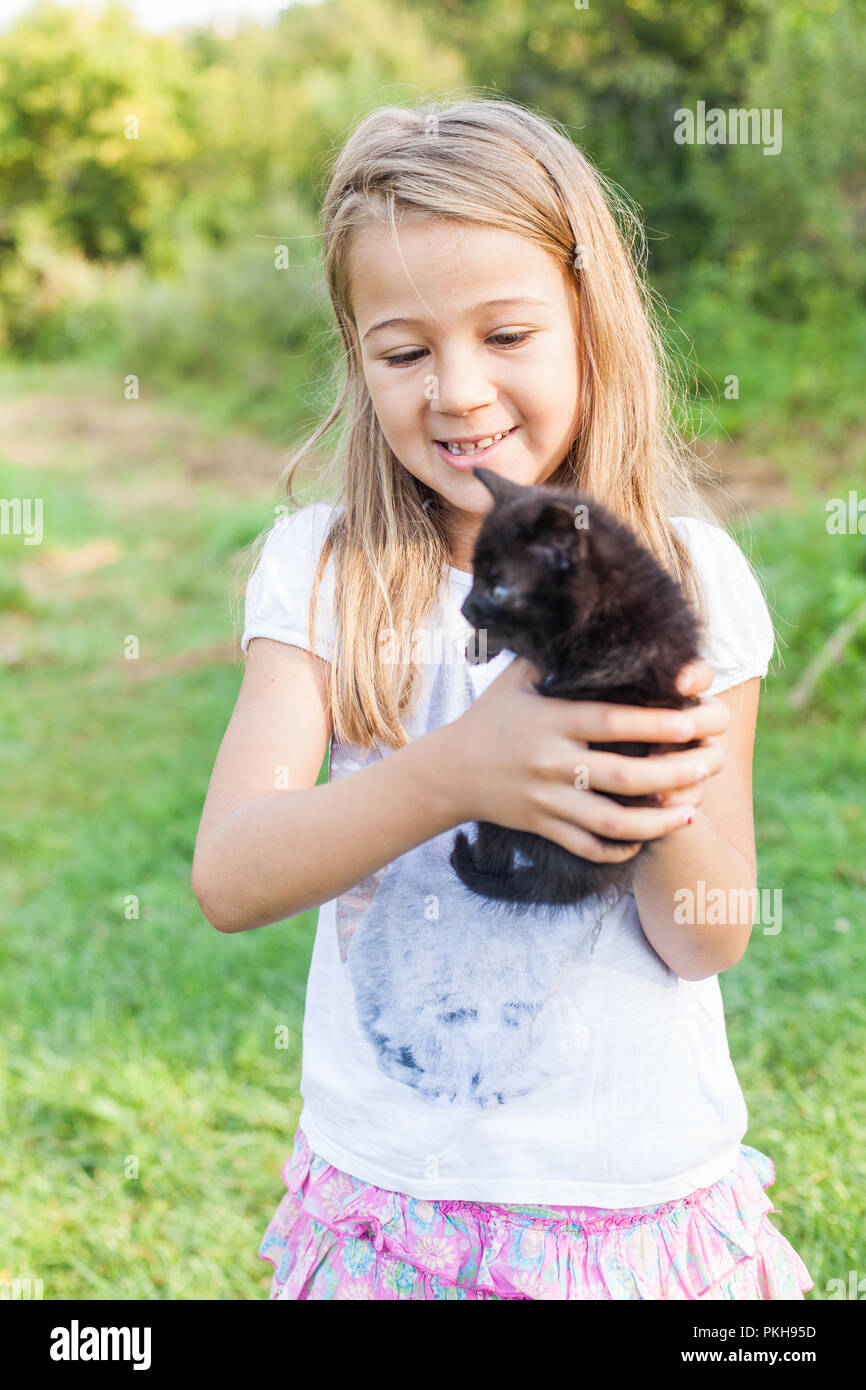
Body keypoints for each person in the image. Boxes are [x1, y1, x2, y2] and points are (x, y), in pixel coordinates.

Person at [192, 95, 814, 1301]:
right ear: (357, 357)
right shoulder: (323, 571)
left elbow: (708, 931)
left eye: (506, 334)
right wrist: (456, 771)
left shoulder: (686, 576)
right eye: (405, 350)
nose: (458, 392)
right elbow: (231, 874)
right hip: (394, 1213)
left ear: (589, 326)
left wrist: (633, 740)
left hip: (629, 1212)